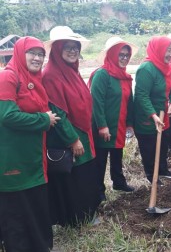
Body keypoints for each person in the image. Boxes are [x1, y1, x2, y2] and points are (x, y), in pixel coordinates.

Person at [0, 36, 59, 252]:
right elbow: (7, 116)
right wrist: (44, 120)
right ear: (19, 53)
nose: (37, 58)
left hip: (32, 156)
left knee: (35, 205)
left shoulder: (34, 79)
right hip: (14, 159)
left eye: (41, 54)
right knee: (17, 209)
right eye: (32, 53)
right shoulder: (8, 77)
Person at [43, 26, 100, 226]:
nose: (73, 50)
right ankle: (76, 219)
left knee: (84, 175)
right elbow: (57, 113)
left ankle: (87, 213)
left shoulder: (72, 71)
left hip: (83, 132)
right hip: (68, 136)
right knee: (73, 177)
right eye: (67, 47)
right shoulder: (51, 75)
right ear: (57, 49)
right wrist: (73, 139)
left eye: (75, 47)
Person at [88, 37, 138, 202]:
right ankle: (98, 190)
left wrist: (129, 124)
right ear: (112, 54)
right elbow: (96, 101)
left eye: (126, 55)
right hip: (103, 127)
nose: (124, 58)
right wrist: (102, 126)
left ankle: (119, 182)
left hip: (119, 125)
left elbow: (129, 102)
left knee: (117, 155)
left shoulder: (124, 77)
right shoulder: (102, 74)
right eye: (120, 54)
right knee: (100, 160)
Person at [134, 36, 171, 185]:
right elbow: (141, 95)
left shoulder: (169, 67)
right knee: (149, 147)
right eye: (168, 50)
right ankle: (151, 175)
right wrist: (152, 115)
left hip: (163, 114)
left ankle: (163, 169)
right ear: (159, 49)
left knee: (163, 143)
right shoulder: (146, 69)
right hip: (147, 117)